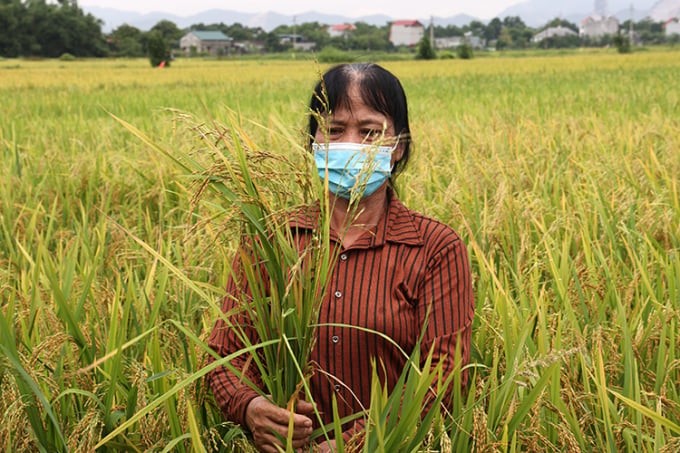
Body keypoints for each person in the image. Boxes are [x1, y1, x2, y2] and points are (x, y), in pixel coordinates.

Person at [207, 63, 474, 453]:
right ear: (313, 142)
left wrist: (348, 445)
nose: (352, 143)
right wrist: (251, 408)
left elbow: (443, 376)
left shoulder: (435, 248)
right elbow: (225, 352)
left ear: (398, 146)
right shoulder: (272, 239)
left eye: (370, 131)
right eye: (334, 130)